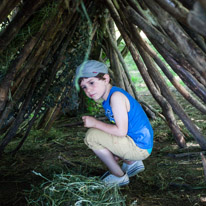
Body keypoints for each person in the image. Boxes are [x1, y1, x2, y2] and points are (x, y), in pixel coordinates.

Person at [75, 60, 153, 186]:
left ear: (105, 79)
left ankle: (119, 176)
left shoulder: (116, 97)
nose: (88, 89)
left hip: (139, 147)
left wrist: (95, 123)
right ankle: (130, 163)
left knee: (92, 136)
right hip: (140, 142)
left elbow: (121, 131)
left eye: (91, 82)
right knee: (102, 132)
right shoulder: (111, 96)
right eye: (84, 87)